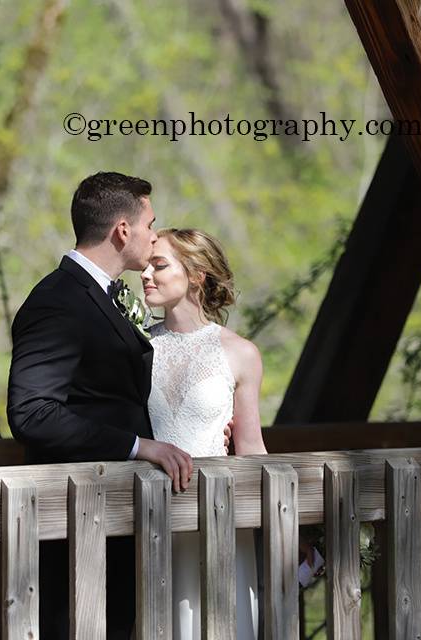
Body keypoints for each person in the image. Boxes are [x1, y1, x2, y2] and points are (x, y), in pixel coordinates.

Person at [7, 172, 196, 639]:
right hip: (76, 527)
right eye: (150, 223)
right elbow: (31, 412)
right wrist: (137, 446)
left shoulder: (104, 297)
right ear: (123, 230)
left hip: (116, 520)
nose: (155, 235)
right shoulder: (59, 300)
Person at [141, 227, 268, 640]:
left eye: (159, 265)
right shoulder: (134, 349)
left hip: (220, 517)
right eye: (146, 264)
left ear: (196, 275)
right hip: (151, 517)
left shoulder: (240, 353)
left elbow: (250, 447)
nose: (145, 273)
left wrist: (296, 525)